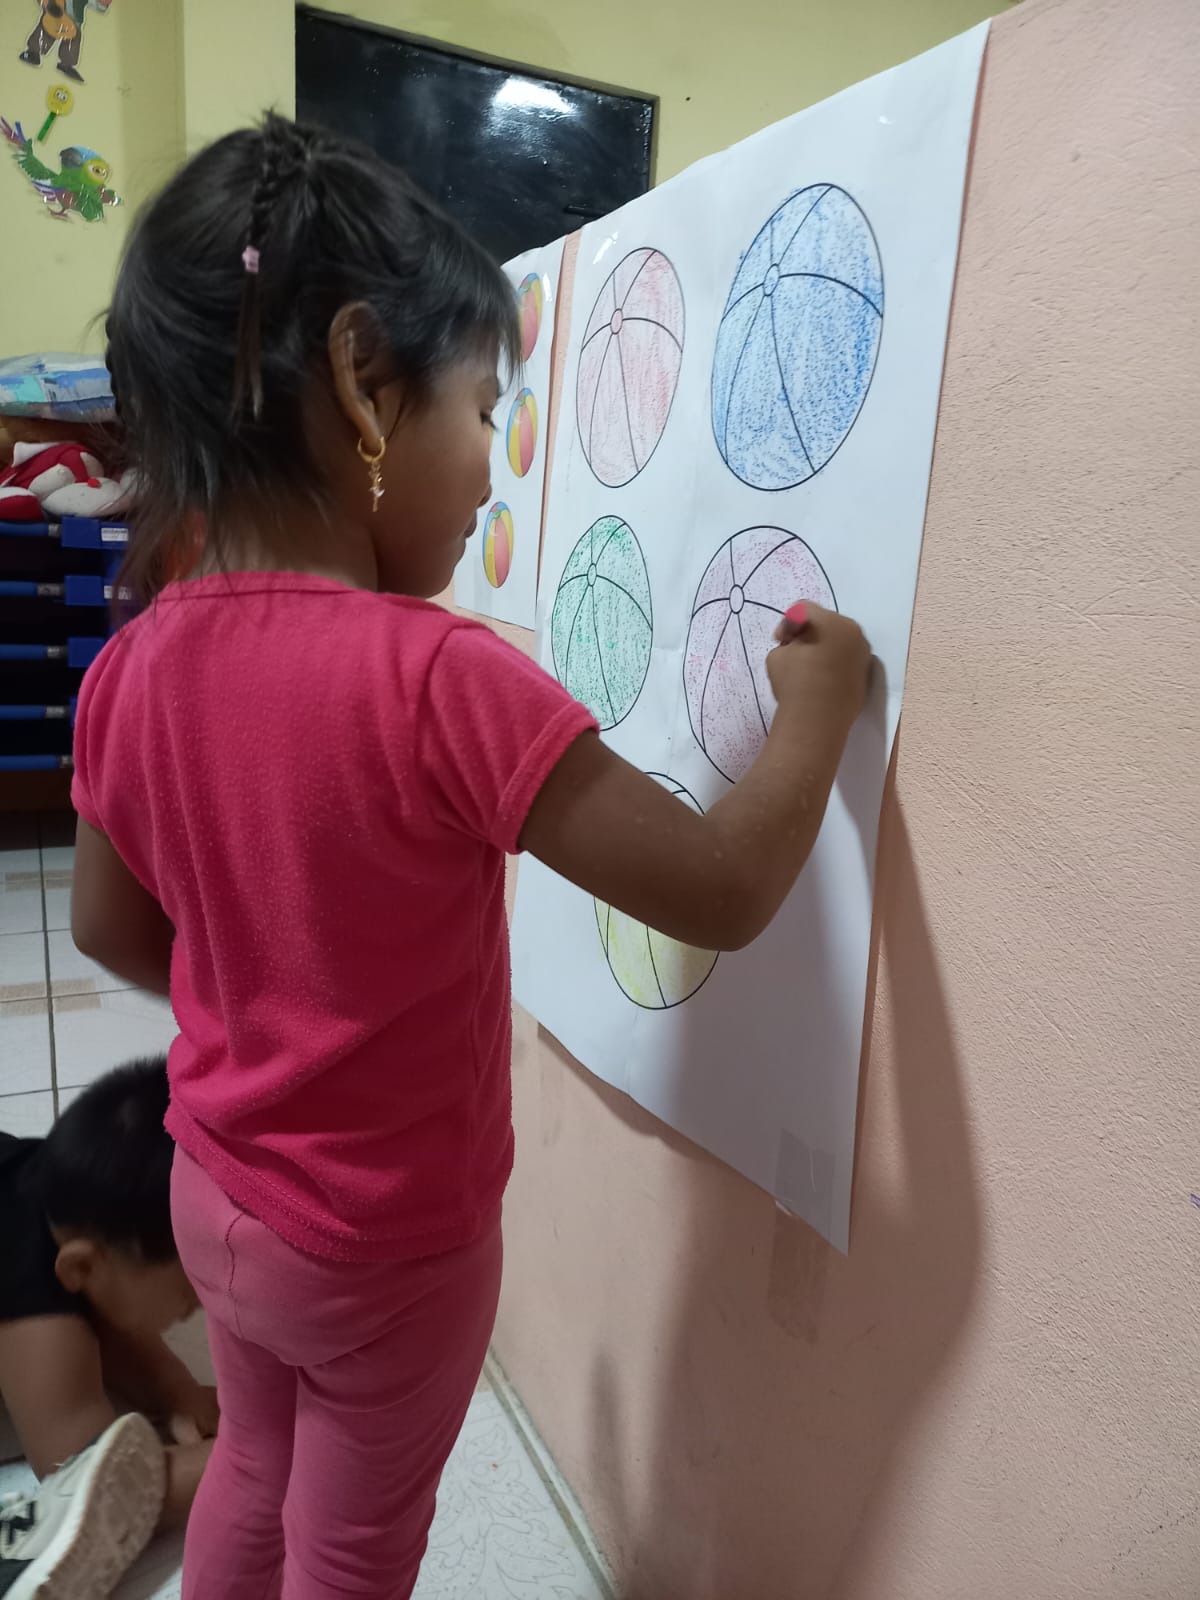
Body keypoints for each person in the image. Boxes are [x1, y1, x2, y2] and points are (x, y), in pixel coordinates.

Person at [69, 114, 871, 1600]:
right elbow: (718, 889)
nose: (496, 475)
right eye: (486, 414)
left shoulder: (128, 669)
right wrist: (817, 713)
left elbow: (110, 932)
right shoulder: (437, 677)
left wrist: (269, 984)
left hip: (215, 1194)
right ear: (365, 382)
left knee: (252, 1467)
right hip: (384, 1249)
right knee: (354, 1544)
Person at [0, 1059, 217, 1598]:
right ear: (79, 1267)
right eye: (187, 1292)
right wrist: (274, 1449)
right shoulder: (34, 1299)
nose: (200, 1305)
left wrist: (174, 1387)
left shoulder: (65, 1182)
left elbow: (112, 1313)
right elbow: (93, 1490)